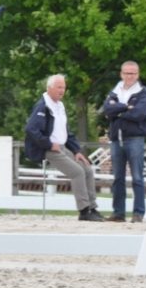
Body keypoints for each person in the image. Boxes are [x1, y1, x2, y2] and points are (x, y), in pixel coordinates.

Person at [24, 74, 104, 221]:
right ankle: (84, 211)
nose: (62, 91)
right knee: (77, 172)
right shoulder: (43, 106)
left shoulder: (60, 106)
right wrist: (48, 144)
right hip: (50, 149)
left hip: (62, 147)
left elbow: (67, 132)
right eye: (59, 87)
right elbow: (31, 129)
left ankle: (92, 207)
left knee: (87, 169)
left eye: (64, 88)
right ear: (49, 88)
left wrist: (76, 151)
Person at [100, 60, 146, 223]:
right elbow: (107, 110)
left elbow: (140, 114)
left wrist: (118, 110)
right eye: (126, 73)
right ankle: (118, 213)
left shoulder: (144, 93)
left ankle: (138, 213)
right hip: (117, 139)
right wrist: (127, 107)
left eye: (133, 73)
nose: (129, 76)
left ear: (137, 74)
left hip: (135, 139)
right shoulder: (114, 91)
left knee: (137, 177)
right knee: (118, 178)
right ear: (121, 74)